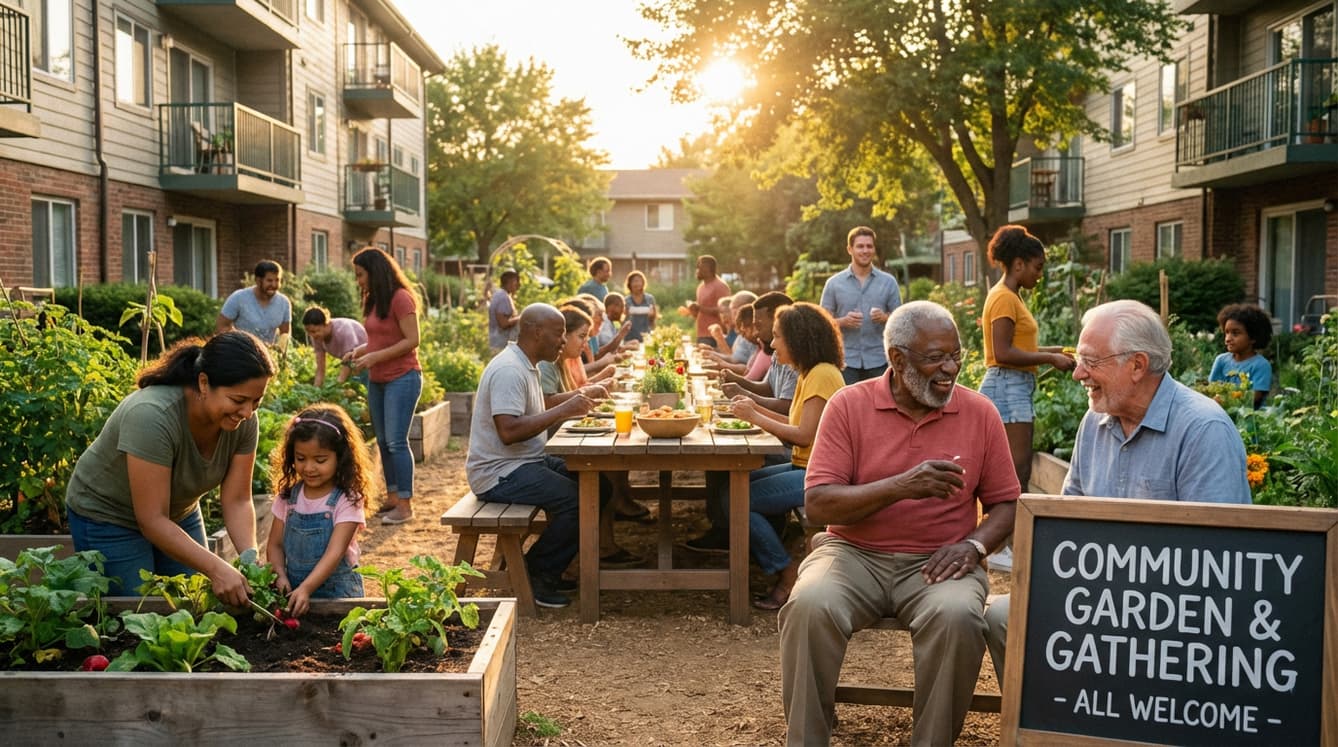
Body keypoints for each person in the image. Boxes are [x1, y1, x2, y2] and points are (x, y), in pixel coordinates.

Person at [779, 300, 1019, 747]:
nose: (950, 369)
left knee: (958, 617)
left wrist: (974, 547)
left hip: (941, 560)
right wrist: (901, 486)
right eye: (935, 358)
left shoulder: (980, 412)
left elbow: (1006, 504)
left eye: (956, 356)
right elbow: (818, 505)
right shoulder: (848, 406)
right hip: (853, 554)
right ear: (898, 359)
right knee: (809, 605)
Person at [983, 298, 1253, 685]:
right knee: (1002, 617)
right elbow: (1068, 519)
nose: (1077, 374)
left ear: (1138, 365)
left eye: (1090, 361)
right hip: (1096, 598)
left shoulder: (1203, 429)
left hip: (1172, 611)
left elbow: (1220, 559)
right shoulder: (1095, 422)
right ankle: (1058, 721)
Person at [65, 331, 276, 604]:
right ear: (203, 383)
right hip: (107, 515)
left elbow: (237, 499)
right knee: (138, 613)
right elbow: (152, 519)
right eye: (238, 400)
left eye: (256, 401)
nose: (247, 412)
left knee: (192, 605)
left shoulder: (245, 421)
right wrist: (215, 567)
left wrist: (249, 559)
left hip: (178, 513)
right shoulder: (152, 415)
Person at [466, 303, 618, 608]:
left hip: (524, 461)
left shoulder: (526, 363)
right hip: (499, 473)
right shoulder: (509, 369)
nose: (563, 341)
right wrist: (565, 409)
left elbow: (539, 407)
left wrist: (580, 397)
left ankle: (547, 567)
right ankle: (535, 573)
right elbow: (508, 431)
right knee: (579, 499)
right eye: (559, 333)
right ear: (536, 332)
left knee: (599, 486)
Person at [725, 302, 845, 610]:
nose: (773, 344)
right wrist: (751, 407)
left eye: (778, 337)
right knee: (733, 486)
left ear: (798, 338)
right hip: (804, 464)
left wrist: (755, 415)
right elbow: (797, 426)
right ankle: (777, 559)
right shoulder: (809, 372)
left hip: (823, 474)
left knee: (737, 499)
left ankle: (785, 570)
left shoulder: (822, 375)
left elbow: (804, 435)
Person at [979, 225, 1075, 493]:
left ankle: (1012, 532)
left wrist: (1058, 352)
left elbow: (1021, 345)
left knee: (1017, 471)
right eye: (1038, 267)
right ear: (1018, 264)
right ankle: (1013, 533)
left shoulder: (1012, 297)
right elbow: (1003, 353)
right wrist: (1049, 359)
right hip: (1008, 386)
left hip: (1013, 384)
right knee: (1017, 472)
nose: (1040, 275)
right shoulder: (1003, 298)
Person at [265, 404, 372, 616]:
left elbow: (335, 552)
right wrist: (280, 575)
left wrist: (306, 588)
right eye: (301, 459)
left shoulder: (346, 500)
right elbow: (275, 545)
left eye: (320, 460)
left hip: (339, 595)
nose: (309, 468)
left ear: (340, 458)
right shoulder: (288, 498)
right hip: (295, 595)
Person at [348, 247, 421, 526]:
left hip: (402, 377)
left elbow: (412, 339)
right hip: (378, 380)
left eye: (360, 274)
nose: (358, 281)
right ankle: (392, 498)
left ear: (374, 272)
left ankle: (405, 505)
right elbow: (382, 339)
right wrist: (361, 351)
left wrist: (374, 356)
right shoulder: (375, 299)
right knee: (382, 442)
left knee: (396, 441)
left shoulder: (401, 298)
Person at [819, 227, 903, 384]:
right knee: (848, 407)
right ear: (850, 249)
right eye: (860, 246)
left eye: (869, 246)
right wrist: (843, 321)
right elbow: (821, 322)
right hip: (845, 362)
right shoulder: (834, 284)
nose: (865, 251)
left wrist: (885, 317)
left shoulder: (888, 282)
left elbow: (901, 321)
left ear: (874, 249)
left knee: (880, 406)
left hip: (879, 361)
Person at [1209, 303, 1274, 408]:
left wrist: (1224, 400)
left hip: (1250, 419)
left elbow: (1254, 398)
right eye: (1226, 332)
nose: (1228, 338)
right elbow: (1211, 389)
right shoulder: (1221, 360)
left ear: (1253, 337)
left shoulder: (1261, 365)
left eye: (1235, 333)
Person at [216, 260, 292, 344]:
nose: (274, 285)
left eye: (277, 280)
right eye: (269, 281)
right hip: (242, 350)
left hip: (268, 353)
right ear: (258, 280)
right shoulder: (238, 297)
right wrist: (238, 343)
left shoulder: (284, 302)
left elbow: (285, 334)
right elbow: (222, 325)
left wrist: (279, 350)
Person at [302, 306, 368, 388]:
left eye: (314, 331)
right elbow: (320, 368)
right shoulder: (317, 337)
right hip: (354, 364)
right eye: (308, 332)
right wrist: (316, 389)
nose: (312, 335)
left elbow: (349, 360)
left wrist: (337, 385)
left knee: (362, 385)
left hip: (369, 358)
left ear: (326, 324)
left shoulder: (343, 330)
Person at [684, 255, 731, 348]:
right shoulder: (700, 287)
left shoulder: (720, 286)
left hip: (714, 335)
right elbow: (699, 313)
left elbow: (725, 310)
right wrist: (692, 310)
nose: (697, 270)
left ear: (707, 268)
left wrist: (699, 307)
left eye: (699, 267)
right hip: (701, 334)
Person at [488, 270, 522, 356]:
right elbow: (503, 323)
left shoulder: (499, 294)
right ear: (511, 282)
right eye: (516, 283)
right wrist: (521, 317)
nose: (517, 286)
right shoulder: (503, 297)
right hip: (501, 345)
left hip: (496, 342)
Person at [624, 270, 658, 342]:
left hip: (646, 336)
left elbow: (653, 320)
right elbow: (622, 320)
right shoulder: (626, 300)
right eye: (634, 281)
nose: (637, 284)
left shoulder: (650, 299)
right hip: (630, 337)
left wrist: (652, 315)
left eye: (639, 281)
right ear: (629, 284)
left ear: (643, 283)